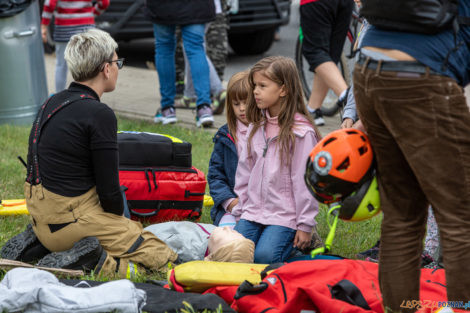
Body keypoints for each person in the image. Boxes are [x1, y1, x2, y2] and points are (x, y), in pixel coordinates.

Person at [9, 29, 178, 278]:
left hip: (42, 217)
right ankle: (95, 260)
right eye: (117, 62)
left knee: (121, 219)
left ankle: (42, 246)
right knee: (162, 256)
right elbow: (109, 192)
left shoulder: (51, 103)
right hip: (71, 220)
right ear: (105, 68)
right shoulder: (99, 114)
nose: (118, 68)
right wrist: (123, 227)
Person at [353, 1, 470, 310]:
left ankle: (401, 308)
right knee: (461, 217)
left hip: (370, 66)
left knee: (402, 213)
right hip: (423, 76)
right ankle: (462, 307)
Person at [232, 56, 321, 264]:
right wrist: (240, 211)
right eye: (255, 85)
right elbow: (245, 172)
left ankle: (302, 247)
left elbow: (305, 183)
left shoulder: (301, 133)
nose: (255, 91)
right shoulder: (255, 127)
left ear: (283, 90)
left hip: (285, 216)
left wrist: (305, 225)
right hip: (253, 212)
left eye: (263, 85)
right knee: (235, 253)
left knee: (264, 257)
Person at [144, 0, 216, 128]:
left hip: (163, 6)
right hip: (197, 5)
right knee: (195, 48)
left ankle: (167, 109)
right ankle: (204, 108)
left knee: (164, 47)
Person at [300, 0, 354, 126]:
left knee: (315, 52)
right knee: (329, 58)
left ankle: (348, 97)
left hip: (316, 3)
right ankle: (313, 109)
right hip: (345, 3)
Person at [208, 70, 250, 229]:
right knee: (228, 239)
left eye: (246, 102)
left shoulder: (267, 133)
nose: (242, 109)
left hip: (261, 209)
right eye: (236, 104)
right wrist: (230, 202)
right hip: (232, 207)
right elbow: (215, 175)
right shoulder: (225, 135)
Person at [41, 0, 110, 93]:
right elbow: (105, 2)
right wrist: (93, 13)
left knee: (61, 65)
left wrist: (44, 25)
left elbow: (50, 3)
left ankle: (60, 95)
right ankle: (87, 95)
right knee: (88, 64)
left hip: (64, 28)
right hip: (86, 28)